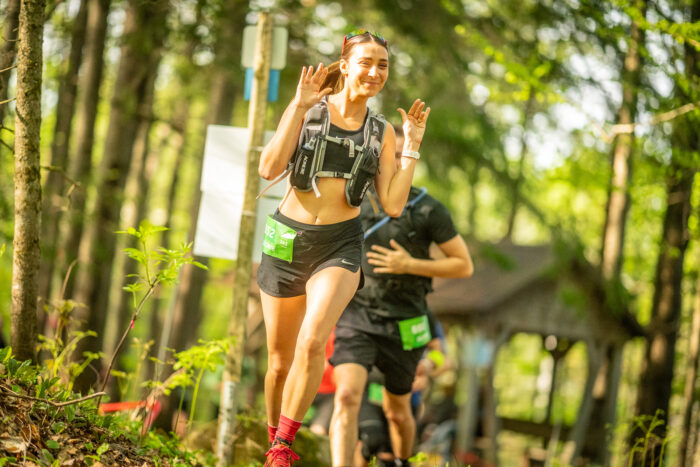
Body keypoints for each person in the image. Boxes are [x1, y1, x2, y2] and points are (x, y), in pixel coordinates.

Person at [256, 28, 431, 467]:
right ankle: (272, 438)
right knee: (278, 363)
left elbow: (392, 205)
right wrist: (297, 106)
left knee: (313, 342)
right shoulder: (310, 110)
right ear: (346, 64)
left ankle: (283, 447)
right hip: (288, 239)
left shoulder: (381, 132)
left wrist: (410, 145)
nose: (375, 72)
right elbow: (268, 168)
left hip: (339, 245)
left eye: (383, 65)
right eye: (367, 62)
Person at [328, 126, 473, 467]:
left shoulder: (427, 209)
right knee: (346, 396)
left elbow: (463, 265)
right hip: (357, 314)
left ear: (409, 159)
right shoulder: (354, 198)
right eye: (386, 155)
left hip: (406, 320)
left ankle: (402, 462)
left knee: (398, 413)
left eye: (400, 155)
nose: (392, 162)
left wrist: (411, 264)